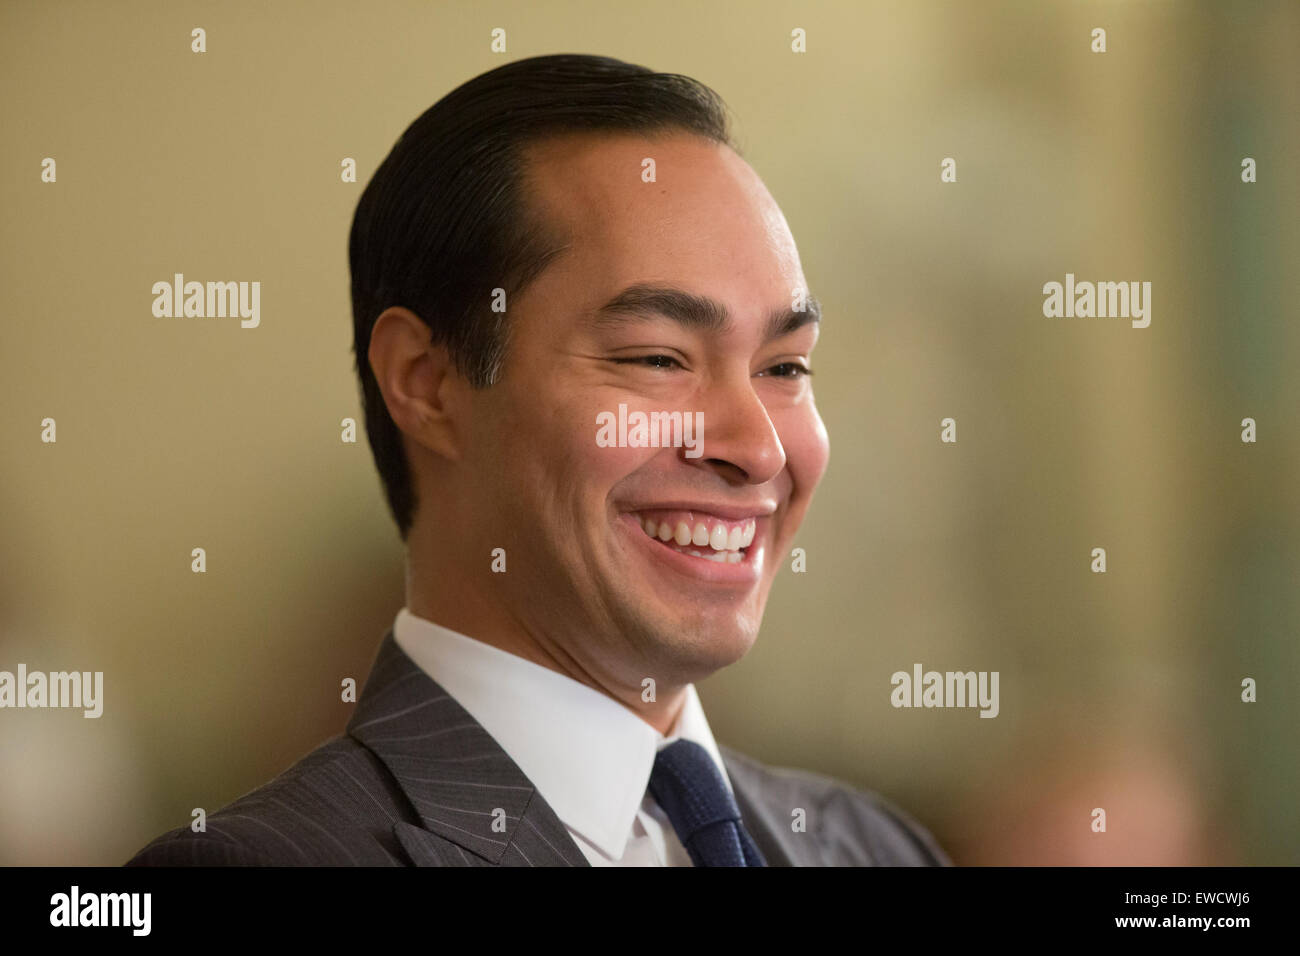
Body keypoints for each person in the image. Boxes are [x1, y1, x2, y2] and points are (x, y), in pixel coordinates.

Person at [127, 53, 949, 867]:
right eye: (658, 359)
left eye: (784, 369)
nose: (756, 448)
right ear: (428, 384)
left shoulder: (877, 849)